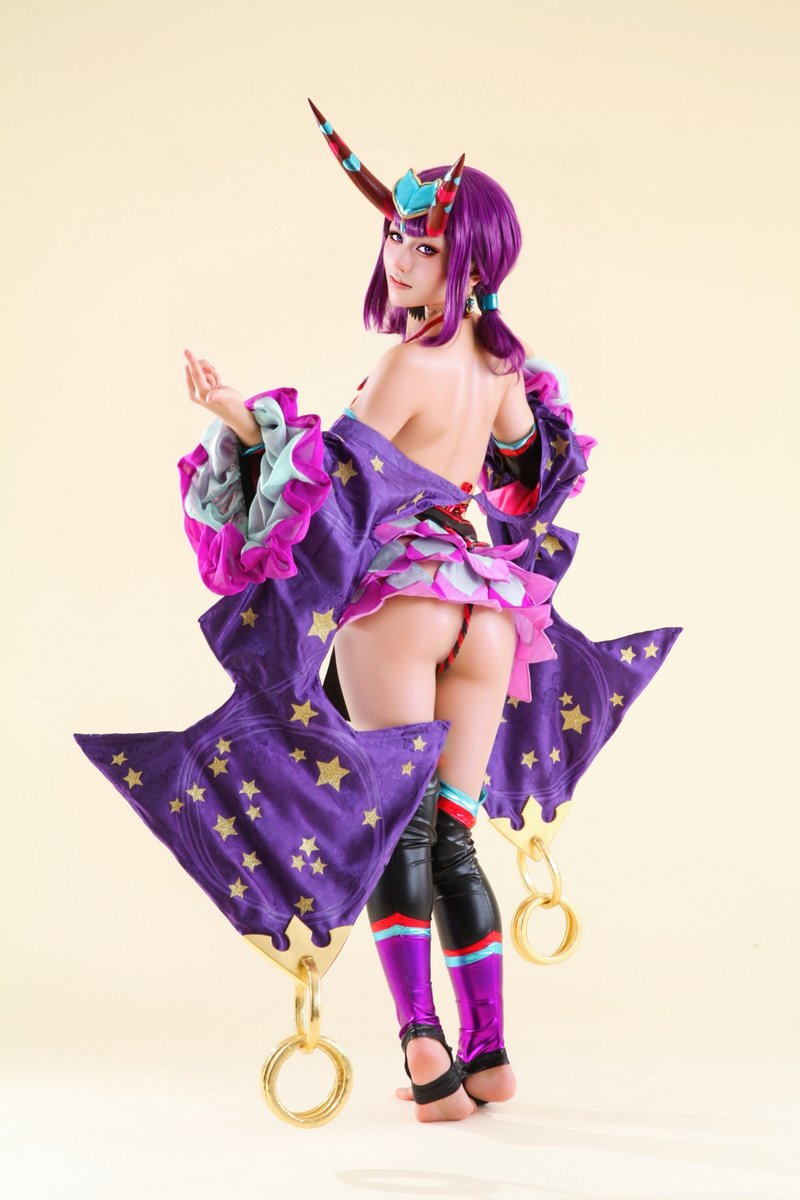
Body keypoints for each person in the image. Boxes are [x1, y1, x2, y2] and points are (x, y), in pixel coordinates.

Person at [74, 100, 681, 1128]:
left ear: (470, 261)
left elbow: (329, 487)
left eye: (424, 244)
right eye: (395, 236)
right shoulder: (499, 364)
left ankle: (426, 1057)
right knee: (454, 838)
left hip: (400, 603)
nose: (399, 257)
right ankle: (492, 1055)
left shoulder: (405, 364)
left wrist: (238, 420)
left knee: (399, 832)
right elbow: (528, 475)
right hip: (488, 608)